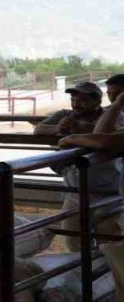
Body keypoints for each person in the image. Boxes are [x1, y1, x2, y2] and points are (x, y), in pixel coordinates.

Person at [35, 81, 123, 250]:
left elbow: (106, 137)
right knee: (75, 244)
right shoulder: (65, 115)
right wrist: (58, 128)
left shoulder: (113, 116)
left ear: (97, 101)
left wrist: (76, 133)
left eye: (82, 100)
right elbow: (39, 129)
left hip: (107, 193)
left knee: (111, 246)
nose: (76, 103)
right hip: (74, 193)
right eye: (74, 98)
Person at [60, 74, 124, 154]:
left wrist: (71, 138)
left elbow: (103, 141)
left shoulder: (116, 113)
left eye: (118, 94)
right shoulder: (113, 111)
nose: (112, 98)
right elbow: (99, 134)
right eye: (109, 94)